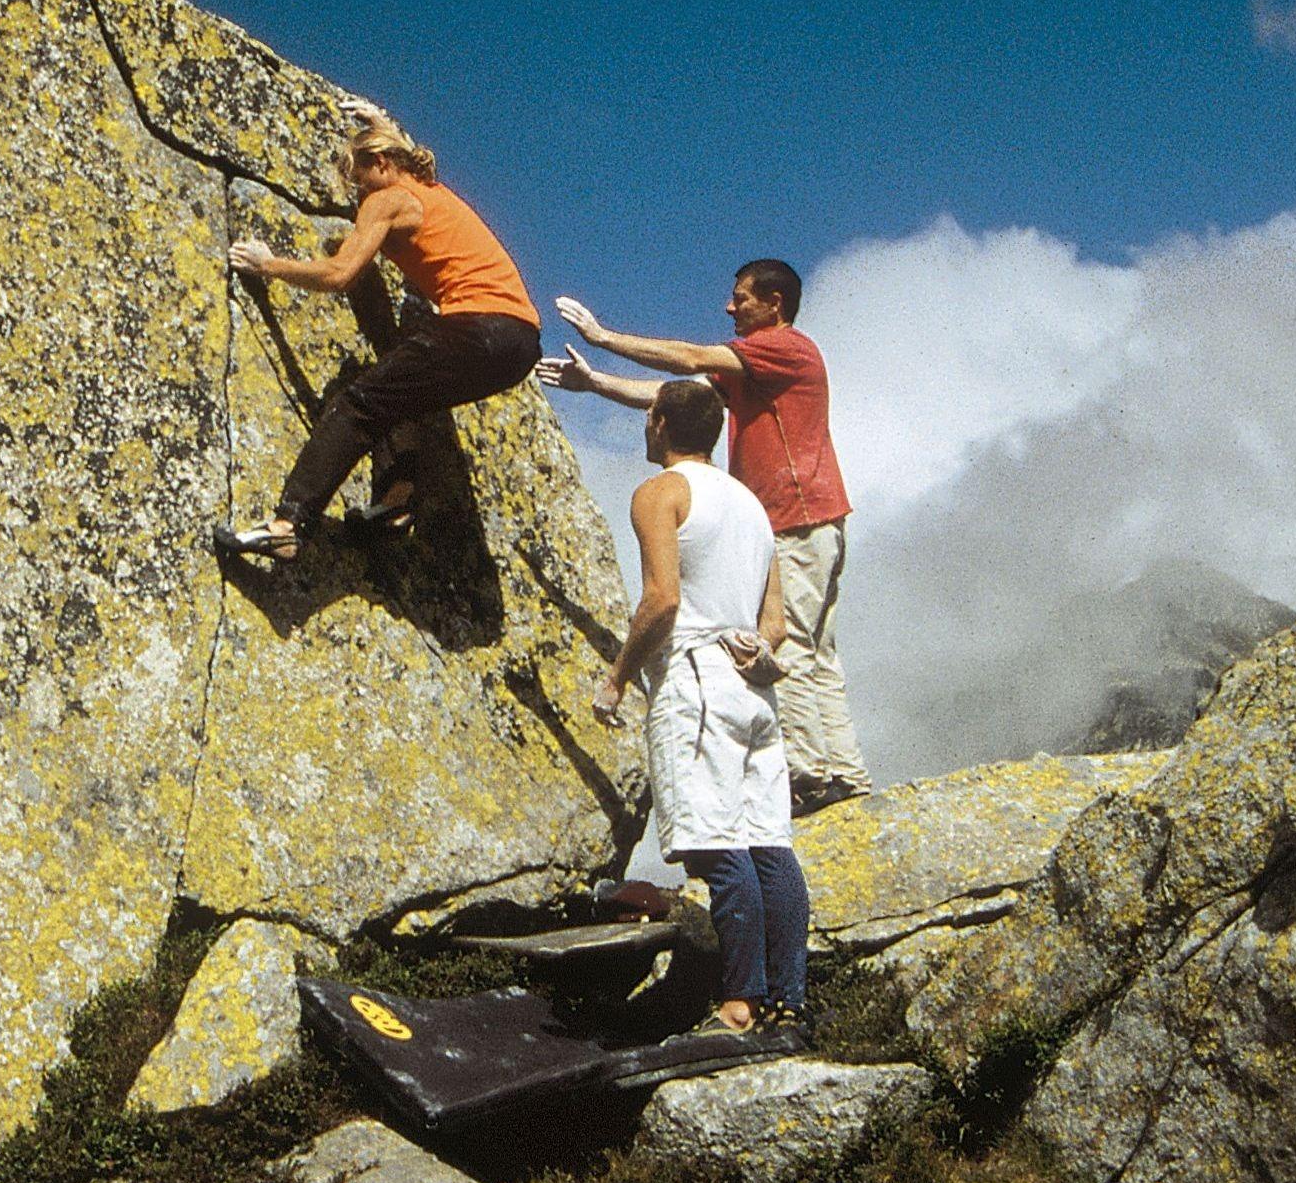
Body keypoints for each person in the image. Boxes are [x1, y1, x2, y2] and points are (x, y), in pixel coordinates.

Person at [537, 259, 873, 814]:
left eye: (742, 298)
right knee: (818, 652)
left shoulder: (785, 347)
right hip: (809, 520)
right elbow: (674, 396)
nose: (730, 307)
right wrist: (595, 381)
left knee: (785, 641)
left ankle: (810, 776)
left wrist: (602, 337)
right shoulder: (756, 368)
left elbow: (689, 357)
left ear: (774, 303)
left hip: (796, 516)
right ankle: (844, 774)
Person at [215, 101, 541, 558]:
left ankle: (288, 523)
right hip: (520, 344)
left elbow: (340, 274)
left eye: (358, 178)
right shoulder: (431, 190)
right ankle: (395, 504)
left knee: (359, 402)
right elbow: (403, 153)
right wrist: (381, 122)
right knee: (402, 391)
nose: (356, 192)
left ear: (382, 164)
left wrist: (269, 265)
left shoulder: (386, 199)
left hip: (477, 326)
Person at [592, 378, 809, 1038]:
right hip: (753, 685)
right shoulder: (750, 507)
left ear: (657, 423)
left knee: (715, 846)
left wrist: (618, 677)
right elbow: (773, 623)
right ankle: (787, 1003)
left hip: (694, 682)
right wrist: (747, 648)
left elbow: (661, 599)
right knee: (768, 845)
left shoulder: (661, 492)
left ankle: (738, 1005)